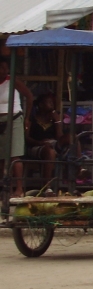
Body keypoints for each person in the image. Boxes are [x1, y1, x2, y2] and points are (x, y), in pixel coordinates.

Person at [0, 56, 33, 197]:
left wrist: (27, 118)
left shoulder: (12, 80)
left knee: (15, 156)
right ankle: (4, 188)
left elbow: (29, 96)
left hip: (14, 118)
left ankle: (19, 188)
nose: (4, 71)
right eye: (2, 68)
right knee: (1, 157)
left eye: (6, 68)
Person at [25, 93, 67, 184]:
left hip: (53, 143)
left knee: (72, 137)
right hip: (36, 145)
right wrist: (39, 143)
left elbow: (59, 137)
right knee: (49, 151)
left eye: (52, 102)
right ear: (40, 105)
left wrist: (57, 122)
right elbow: (26, 138)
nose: (51, 104)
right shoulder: (32, 119)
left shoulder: (53, 120)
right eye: (48, 102)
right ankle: (47, 185)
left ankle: (78, 168)